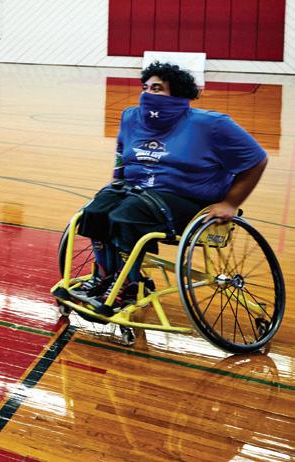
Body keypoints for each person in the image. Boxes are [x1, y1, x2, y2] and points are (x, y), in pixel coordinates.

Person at [65, 62, 268, 311]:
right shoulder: (131, 117)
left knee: (128, 215)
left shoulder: (212, 125)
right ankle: (104, 275)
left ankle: (127, 284)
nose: (147, 93)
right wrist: (115, 184)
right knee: (95, 210)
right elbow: (121, 153)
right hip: (138, 191)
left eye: (157, 88)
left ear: (178, 94)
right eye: (145, 87)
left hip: (187, 198)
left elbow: (257, 160)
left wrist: (230, 203)